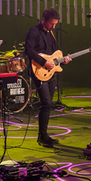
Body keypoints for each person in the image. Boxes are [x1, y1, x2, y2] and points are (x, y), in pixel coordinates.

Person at [24, 8, 71, 147]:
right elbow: (29, 49)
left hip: (50, 73)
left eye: (55, 23)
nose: (53, 26)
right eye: (51, 23)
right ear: (44, 20)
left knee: (48, 103)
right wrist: (44, 62)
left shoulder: (51, 33)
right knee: (46, 103)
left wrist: (63, 60)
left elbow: (54, 55)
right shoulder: (34, 31)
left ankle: (43, 135)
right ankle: (43, 136)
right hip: (38, 70)